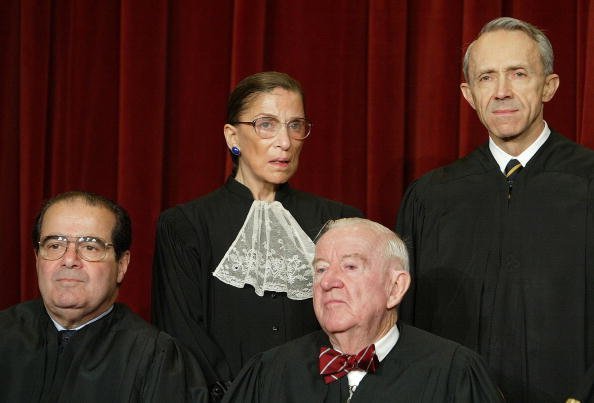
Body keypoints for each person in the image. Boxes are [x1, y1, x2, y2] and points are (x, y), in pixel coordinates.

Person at [396, 17, 594, 402]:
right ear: (469, 94)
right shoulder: (432, 197)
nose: (501, 92)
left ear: (548, 87)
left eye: (518, 74)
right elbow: (407, 321)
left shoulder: (588, 182)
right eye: (486, 78)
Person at [151, 71, 363, 400]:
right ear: (232, 136)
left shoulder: (339, 222)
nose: (285, 141)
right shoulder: (186, 225)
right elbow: (182, 336)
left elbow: (360, 322)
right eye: (266, 124)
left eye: (295, 125)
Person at [222, 217, 503, 402]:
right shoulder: (271, 373)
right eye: (320, 269)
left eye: (350, 267)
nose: (329, 281)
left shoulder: (453, 374)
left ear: (395, 287)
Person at [0, 191, 208, 403]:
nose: (70, 259)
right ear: (37, 259)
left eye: (90, 247)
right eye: (55, 246)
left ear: (121, 265)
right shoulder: (4, 335)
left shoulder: (156, 358)